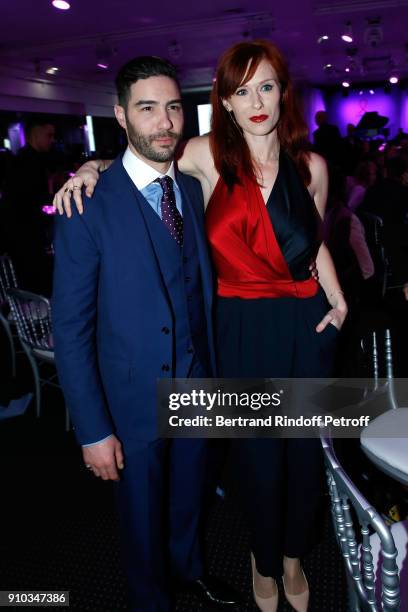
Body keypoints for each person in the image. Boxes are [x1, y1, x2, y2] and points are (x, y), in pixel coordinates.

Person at [54, 41, 348, 612]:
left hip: (258, 346)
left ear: (283, 93)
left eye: (266, 86)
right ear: (227, 103)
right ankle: (202, 582)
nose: (163, 121)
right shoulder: (196, 163)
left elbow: (312, 242)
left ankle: (245, 563)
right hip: (195, 359)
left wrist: (338, 302)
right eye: (242, 90)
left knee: (280, 463)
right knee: (211, 483)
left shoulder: (266, 173)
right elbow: (72, 327)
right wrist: (88, 165)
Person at [52, 56, 238, 612]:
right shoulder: (86, 207)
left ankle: (189, 571)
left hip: (195, 385)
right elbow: (70, 328)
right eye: (148, 108)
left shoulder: (190, 188)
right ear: (120, 115)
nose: (165, 122)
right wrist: (91, 430)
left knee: (188, 498)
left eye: (174, 107)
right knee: (140, 516)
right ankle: (149, 600)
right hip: (131, 402)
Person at [2, 118, 56, 294]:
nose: (52, 139)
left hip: (22, 230)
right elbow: (33, 201)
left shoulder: (28, 158)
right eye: (49, 135)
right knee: (34, 279)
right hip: (24, 231)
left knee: (32, 277)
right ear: (36, 134)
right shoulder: (27, 162)